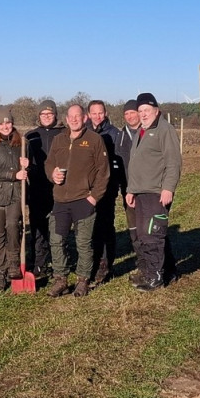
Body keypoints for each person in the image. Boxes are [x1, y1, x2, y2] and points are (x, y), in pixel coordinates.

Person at [45, 104, 110, 298]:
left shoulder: (94, 140)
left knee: (83, 243)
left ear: (85, 119)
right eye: (70, 116)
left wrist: (93, 197)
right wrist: (52, 174)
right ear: (66, 119)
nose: (74, 119)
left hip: (84, 200)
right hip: (60, 201)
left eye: (78, 116)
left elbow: (103, 172)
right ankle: (60, 280)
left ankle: (83, 280)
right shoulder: (59, 140)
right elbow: (49, 164)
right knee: (57, 241)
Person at [125, 92, 182, 291]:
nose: (143, 114)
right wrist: (131, 190)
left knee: (152, 234)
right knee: (144, 234)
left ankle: (155, 277)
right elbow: (135, 164)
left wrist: (168, 188)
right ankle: (160, 270)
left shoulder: (164, 129)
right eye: (140, 110)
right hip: (140, 192)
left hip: (156, 192)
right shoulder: (141, 131)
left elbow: (173, 162)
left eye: (147, 110)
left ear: (156, 110)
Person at [0, 108, 29, 291]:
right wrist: (13, 174)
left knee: (13, 226)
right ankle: (0, 273)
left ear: (12, 123)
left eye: (8, 122)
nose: (5, 126)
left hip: (16, 195)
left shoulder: (22, 144)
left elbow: (26, 174)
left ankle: (13, 264)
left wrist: (27, 165)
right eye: (1, 123)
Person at [25, 100, 64, 276]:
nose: (46, 116)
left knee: (59, 228)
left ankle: (59, 261)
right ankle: (38, 262)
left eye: (50, 113)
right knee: (38, 227)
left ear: (55, 115)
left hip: (59, 186)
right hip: (38, 187)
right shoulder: (31, 136)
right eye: (43, 114)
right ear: (39, 116)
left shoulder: (63, 133)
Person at [85, 99, 121, 284]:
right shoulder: (83, 132)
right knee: (89, 227)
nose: (97, 116)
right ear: (88, 114)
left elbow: (119, 162)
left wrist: (117, 186)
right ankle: (90, 261)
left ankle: (106, 264)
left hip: (107, 189)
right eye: (94, 113)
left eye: (101, 113)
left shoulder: (114, 134)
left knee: (106, 226)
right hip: (86, 189)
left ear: (105, 113)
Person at [115, 99, 141, 251]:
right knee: (133, 225)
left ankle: (162, 265)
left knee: (151, 228)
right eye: (126, 113)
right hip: (127, 189)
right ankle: (141, 260)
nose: (130, 116)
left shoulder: (148, 132)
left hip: (147, 189)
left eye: (133, 112)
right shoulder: (121, 136)